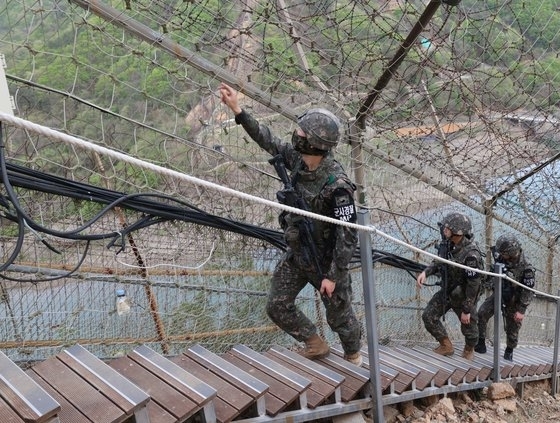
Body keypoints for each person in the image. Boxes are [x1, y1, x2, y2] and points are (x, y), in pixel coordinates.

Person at [219, 83, 363, 366]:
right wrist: (237, 109)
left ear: (315, 143)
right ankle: (314, 342)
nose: (295, 135)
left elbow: (348, 236)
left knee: (340, 319)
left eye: (301, 133)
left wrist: (332, 276)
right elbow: (267, 140)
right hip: (300, 253)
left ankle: (354, 356)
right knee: (277, 305)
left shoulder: (338, 186)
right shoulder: (297, 160)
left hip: (327, 262)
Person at [416, 212, 483, 360]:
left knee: (470, 330)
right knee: (429, 316)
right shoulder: (448, 244)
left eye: (448, 227)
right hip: (448, 290)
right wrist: (426, 273)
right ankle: (446, 345)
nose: (444, 229)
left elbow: (474, 285)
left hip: (464, 296)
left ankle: (469, 349)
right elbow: (440, 260)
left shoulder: (471, 255)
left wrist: (467, 309)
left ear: (458, 232)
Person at [474, 234, 535, 361]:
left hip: (515, 300)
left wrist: (521, 310)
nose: (501, 255)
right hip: (500, 292)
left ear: (512, 253)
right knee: (482, 313)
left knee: (512, 328)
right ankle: (481, 343)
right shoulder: (501, 258)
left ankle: (509, 350)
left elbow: (528, 290)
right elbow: (491, 275)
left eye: (504, 253)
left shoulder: (526, 267)